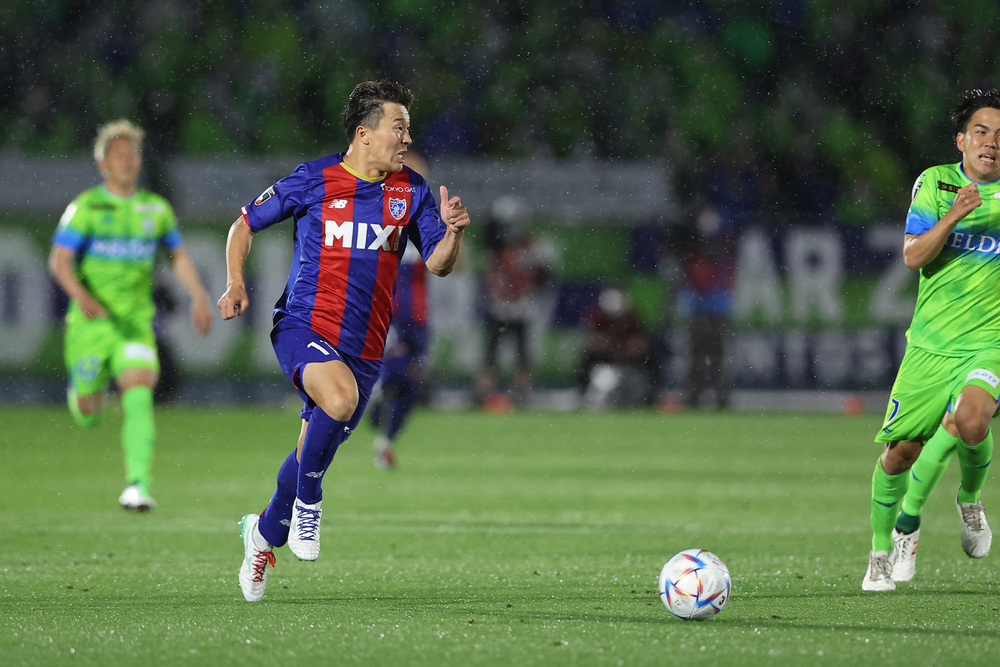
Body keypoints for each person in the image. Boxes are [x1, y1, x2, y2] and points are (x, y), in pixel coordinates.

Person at [217, 80, 470, 602]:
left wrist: (453, 233)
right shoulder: (315, 179)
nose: (407, 138)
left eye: (408, 129)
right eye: (398, 127)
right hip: (303, 326)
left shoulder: (412, 190)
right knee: (338, 400)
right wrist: (235, 283)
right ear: (364, 134)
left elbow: (439, 264)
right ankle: (310, 503)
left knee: (313, 446)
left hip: (365, 348)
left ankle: (262, 533)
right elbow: (243, 226)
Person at [863, 88, 1000, 592]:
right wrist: (955, 214)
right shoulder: (936, 183)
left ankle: (969, 500)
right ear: (961, 140)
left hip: (989, 342)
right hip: (929, 346)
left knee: (971, 419)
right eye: (982, 131)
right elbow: (913, 256)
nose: (992, 142)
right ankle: (880, 551)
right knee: (899, 454)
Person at [48, 119, 213, 512]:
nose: (125, 161)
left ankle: (137, 485)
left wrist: (199, 295)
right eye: (117, 154)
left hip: (135, 325)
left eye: (132, 154)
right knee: (88, 412)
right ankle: (82, 389)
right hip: (91, 325)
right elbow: (59, 262)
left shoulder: (155, 210)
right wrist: (83, 298)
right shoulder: (87, 208)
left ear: (139, 162)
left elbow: (177, 256)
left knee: (139, 391)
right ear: (103, 163)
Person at [368, 152, 433, 470]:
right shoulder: (379, 211)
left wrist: (452, 235)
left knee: (413, 384)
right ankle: (376, 392)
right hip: (387, 310)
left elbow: (455, 264)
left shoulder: (429, 217)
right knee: (395, 372)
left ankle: (386, 443)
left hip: (419, 316)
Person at [474, 196, 555, 407]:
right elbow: (490, 275)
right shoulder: (496, 249)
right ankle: (485, 391)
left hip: (520, 308)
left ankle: (520, 391)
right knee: (492, 354)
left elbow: (543, 276)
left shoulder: (530, 247)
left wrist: (526, 283)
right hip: (501, 308)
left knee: (520, 354)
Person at [579, 286, 656, 408]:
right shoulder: (599, 319)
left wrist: (625, 350)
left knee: (638, 394)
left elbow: (641, 346)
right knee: (602, 390)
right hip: (606, 367)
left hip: (631, 367)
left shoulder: (632, 319)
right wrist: (611, 348)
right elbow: (594, 345)